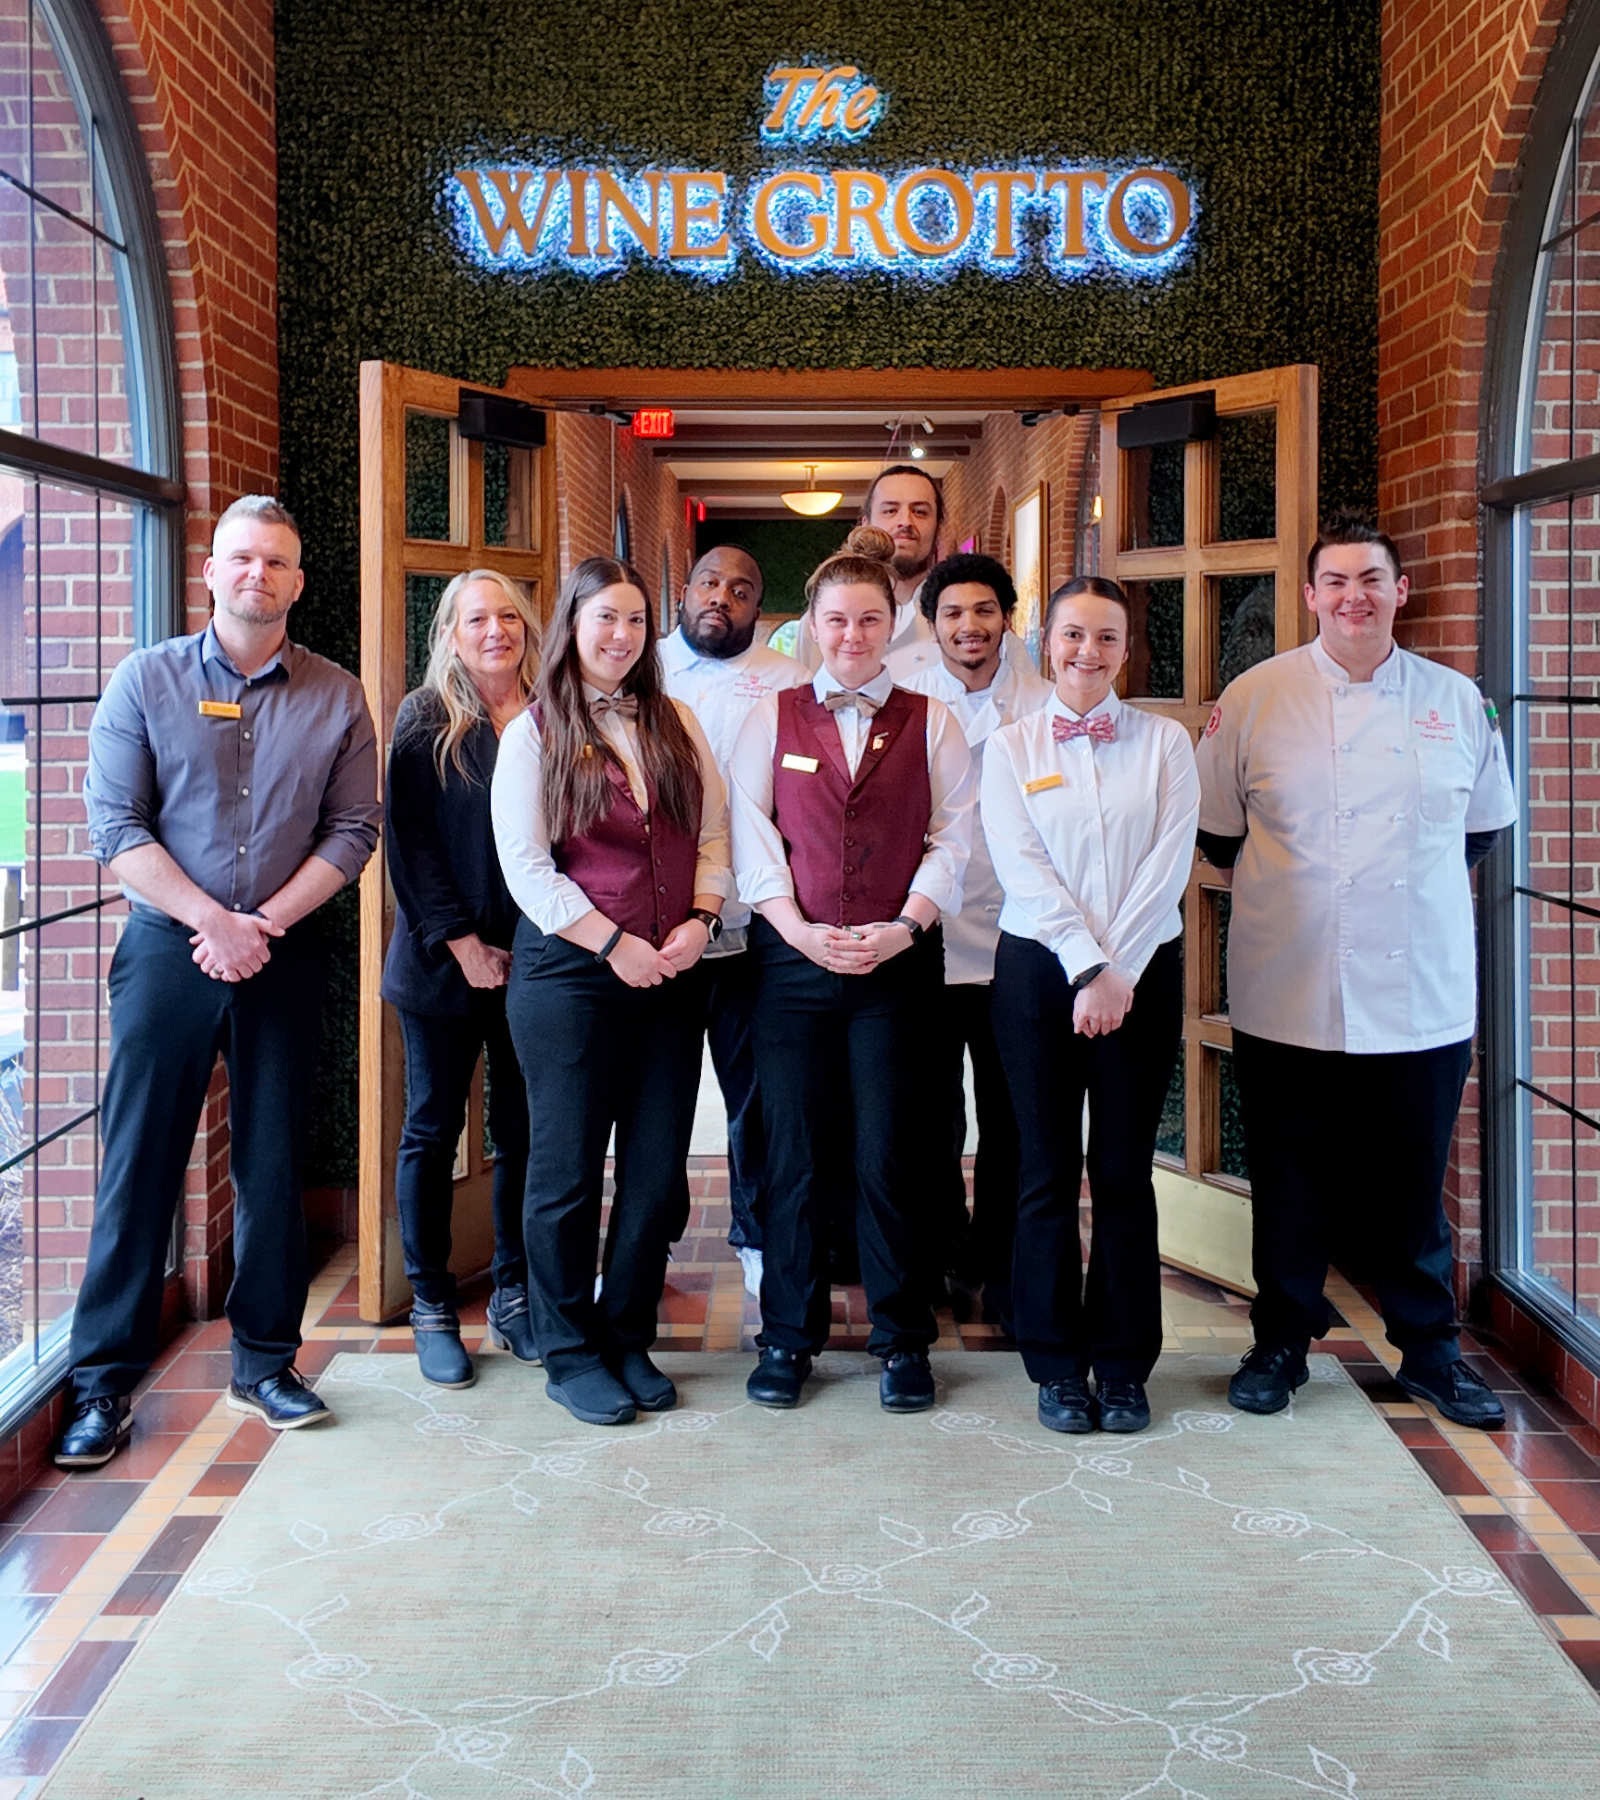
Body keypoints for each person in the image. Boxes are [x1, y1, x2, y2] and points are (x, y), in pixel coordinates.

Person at [55, 497, 380, 1467]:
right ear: (211, 570)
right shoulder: (144, 680)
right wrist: (212, 923)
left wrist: (263, 925)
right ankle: (100, 1387)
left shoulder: (336, 694)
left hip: (284, 951)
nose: (257, 575)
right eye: (242, 558)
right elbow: (118, 827)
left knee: (273, 1165)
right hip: (169, 951)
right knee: (139, 1165)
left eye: (276, 562)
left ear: (297, 581)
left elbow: (354, 830)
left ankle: (267, 1361)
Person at [1196, 510, 1518, 1428]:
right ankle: (1279, 1343)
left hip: (1419, 987)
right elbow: (1220, 836)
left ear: (1399, 591)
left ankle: (1431, 1352)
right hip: (1288, 984)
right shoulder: (1254, 698)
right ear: (1309, 596)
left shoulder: (1457, 701)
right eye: (1335, 581)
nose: (1353, 597)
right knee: (1290, 1181)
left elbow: (1481, 831)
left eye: (1371, 579)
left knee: (1414, 1184)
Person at [730, 525, 975, 1412]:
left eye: (869, 620)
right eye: (836, 621)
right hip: (792, 965)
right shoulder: (774, 715)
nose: (852, 636)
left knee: (890, 1151)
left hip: (898, 965)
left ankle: (902, 1338)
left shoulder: (932, 718)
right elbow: (752, 833)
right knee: (793, 1152)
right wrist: (793, 928)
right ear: (811, 626)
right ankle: (788, 1338)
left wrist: (906, 926)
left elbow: (955, 836)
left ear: (891, 622)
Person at [491, 556, 730, 1426]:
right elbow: (527, 867)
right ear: (573, 626)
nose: (620, 635)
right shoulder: (533, 731)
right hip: (571, 979)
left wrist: (702, 921)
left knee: (658, 1170)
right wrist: (614, 943)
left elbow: (713, 833)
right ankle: (568, 1348)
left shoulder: (677, 721)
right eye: (604, 619)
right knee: (565, 1173)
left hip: (672, 973)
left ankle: (627, 1333)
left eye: (634, 619)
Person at [985, 575, 1199, 1435]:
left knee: (1120, 1171)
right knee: (1043, 1169)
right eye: (1073, 635)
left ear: (1126, 649)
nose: (1087, 652)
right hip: (1038, 972)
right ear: (1048, 642)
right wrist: (1085, 967)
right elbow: (1021, 867)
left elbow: (1169, 863)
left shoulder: (1166, 744)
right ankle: (1054, 1364)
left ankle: (1122, 1362)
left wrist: (1118, 972)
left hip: (1142, 970)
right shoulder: (1009, 748)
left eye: (1106, 638)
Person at [381, 569, 540, 1388]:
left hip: (536, 968)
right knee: (432, 1133)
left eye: (508, 615)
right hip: (443, 968)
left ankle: (515, 1296)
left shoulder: (554, 713)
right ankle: (432, 1305)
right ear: (449, 632)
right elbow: (410, 848)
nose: (494, 630)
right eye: (476, 617)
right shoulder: (424, 717)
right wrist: (465, 944)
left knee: (521, 1135)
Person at [902, 554, 1052, 1326]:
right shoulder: (907, 703)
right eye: (954, 613)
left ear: (1008, 618)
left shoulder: (1049, 703)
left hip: (1016, 940)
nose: (971, 626)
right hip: (924, 938)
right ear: (933, 624)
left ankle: (1000, 1259)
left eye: (985, 611)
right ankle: (934, 1255)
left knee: (1013, 1115)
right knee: (927, 1118)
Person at [659, 545, 809, 1299]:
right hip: (657, 922)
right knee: (659, 1094)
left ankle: (755, 1230)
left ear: (759, 606)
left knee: (755, 1092)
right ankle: (651, 1238)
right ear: (686, 591)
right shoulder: (643, 667)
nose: (724, 597)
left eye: (743, 589)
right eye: (712, 583)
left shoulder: (789, 684)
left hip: (757, 921)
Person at [795, 466, 940, 674]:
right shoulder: (819, 623)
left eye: (920, 512)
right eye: (890, 510)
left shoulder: (954, 619)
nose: (906, 522)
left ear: (937, 526)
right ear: (866, 524)